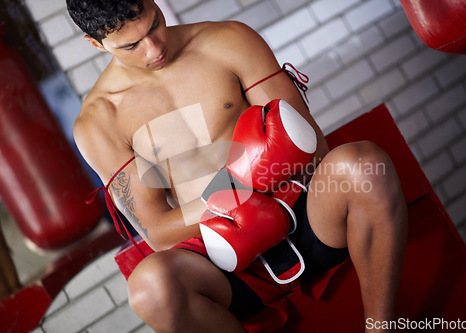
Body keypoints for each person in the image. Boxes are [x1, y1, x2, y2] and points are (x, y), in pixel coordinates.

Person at [66, 0, 408, 332]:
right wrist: (234, 189)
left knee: (363, 163)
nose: (154, 49)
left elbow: (309, 144)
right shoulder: (99, 122)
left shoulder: (227, 40)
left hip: (297, 209)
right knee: (150, 289)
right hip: (221, 258)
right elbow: (157, 231)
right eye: (131, 45)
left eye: (154, 24)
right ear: (96, 44)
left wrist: (248, 183)